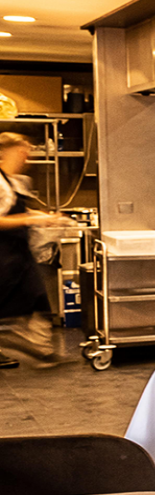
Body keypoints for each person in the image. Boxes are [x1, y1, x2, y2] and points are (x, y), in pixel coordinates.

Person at [0, 132, 68, 369]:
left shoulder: (13, 181)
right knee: (15, 299)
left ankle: (40, 349)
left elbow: (16, 209)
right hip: (4, 251)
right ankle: (17, 342)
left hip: (18, 251)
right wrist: (29, 220)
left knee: (36, 296)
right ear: (6, 153)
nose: (26, 156)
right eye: (22, 151)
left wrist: (42, 216)